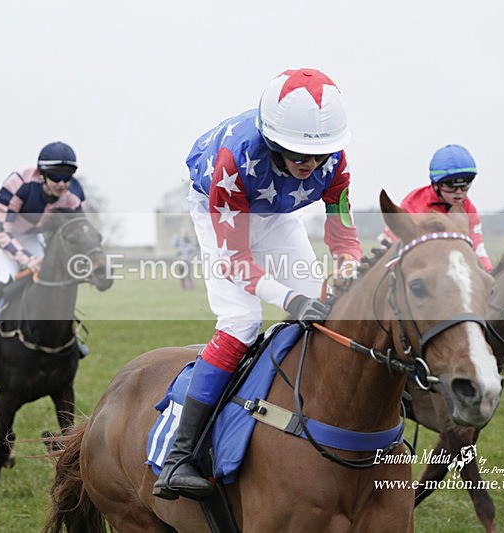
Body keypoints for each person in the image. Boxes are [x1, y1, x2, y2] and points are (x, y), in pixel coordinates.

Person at [152, 68, 362, 500]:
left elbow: (343, 238)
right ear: (273, 142)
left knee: (325, 303)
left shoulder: (336, 161)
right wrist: (290, 299)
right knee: (242, 322)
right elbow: (237, 263)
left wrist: (345, 269)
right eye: (297, 154)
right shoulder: (233, 162)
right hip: (222, 210)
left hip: (277, 212)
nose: (310, 166)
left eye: (318, 156)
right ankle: (179, 456)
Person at [0, 141, 86, 354]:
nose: (62, 183)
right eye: (56, 177)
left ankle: (67, 334)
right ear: (42, 174)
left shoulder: (74, 195)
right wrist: (28, 260)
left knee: (50, 278)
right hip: (2, 232)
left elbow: (76, 230)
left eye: (67, 178)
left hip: (31, 236)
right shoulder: (19, 182)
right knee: (8, 278)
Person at [384, 144, 493, 272]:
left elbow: (477, 247)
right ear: (435, 184)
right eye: (450, 186)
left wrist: (489, 273)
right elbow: (402, 245)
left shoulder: (468, 207)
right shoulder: (414, 203)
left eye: (465, 186)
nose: (459, 192)